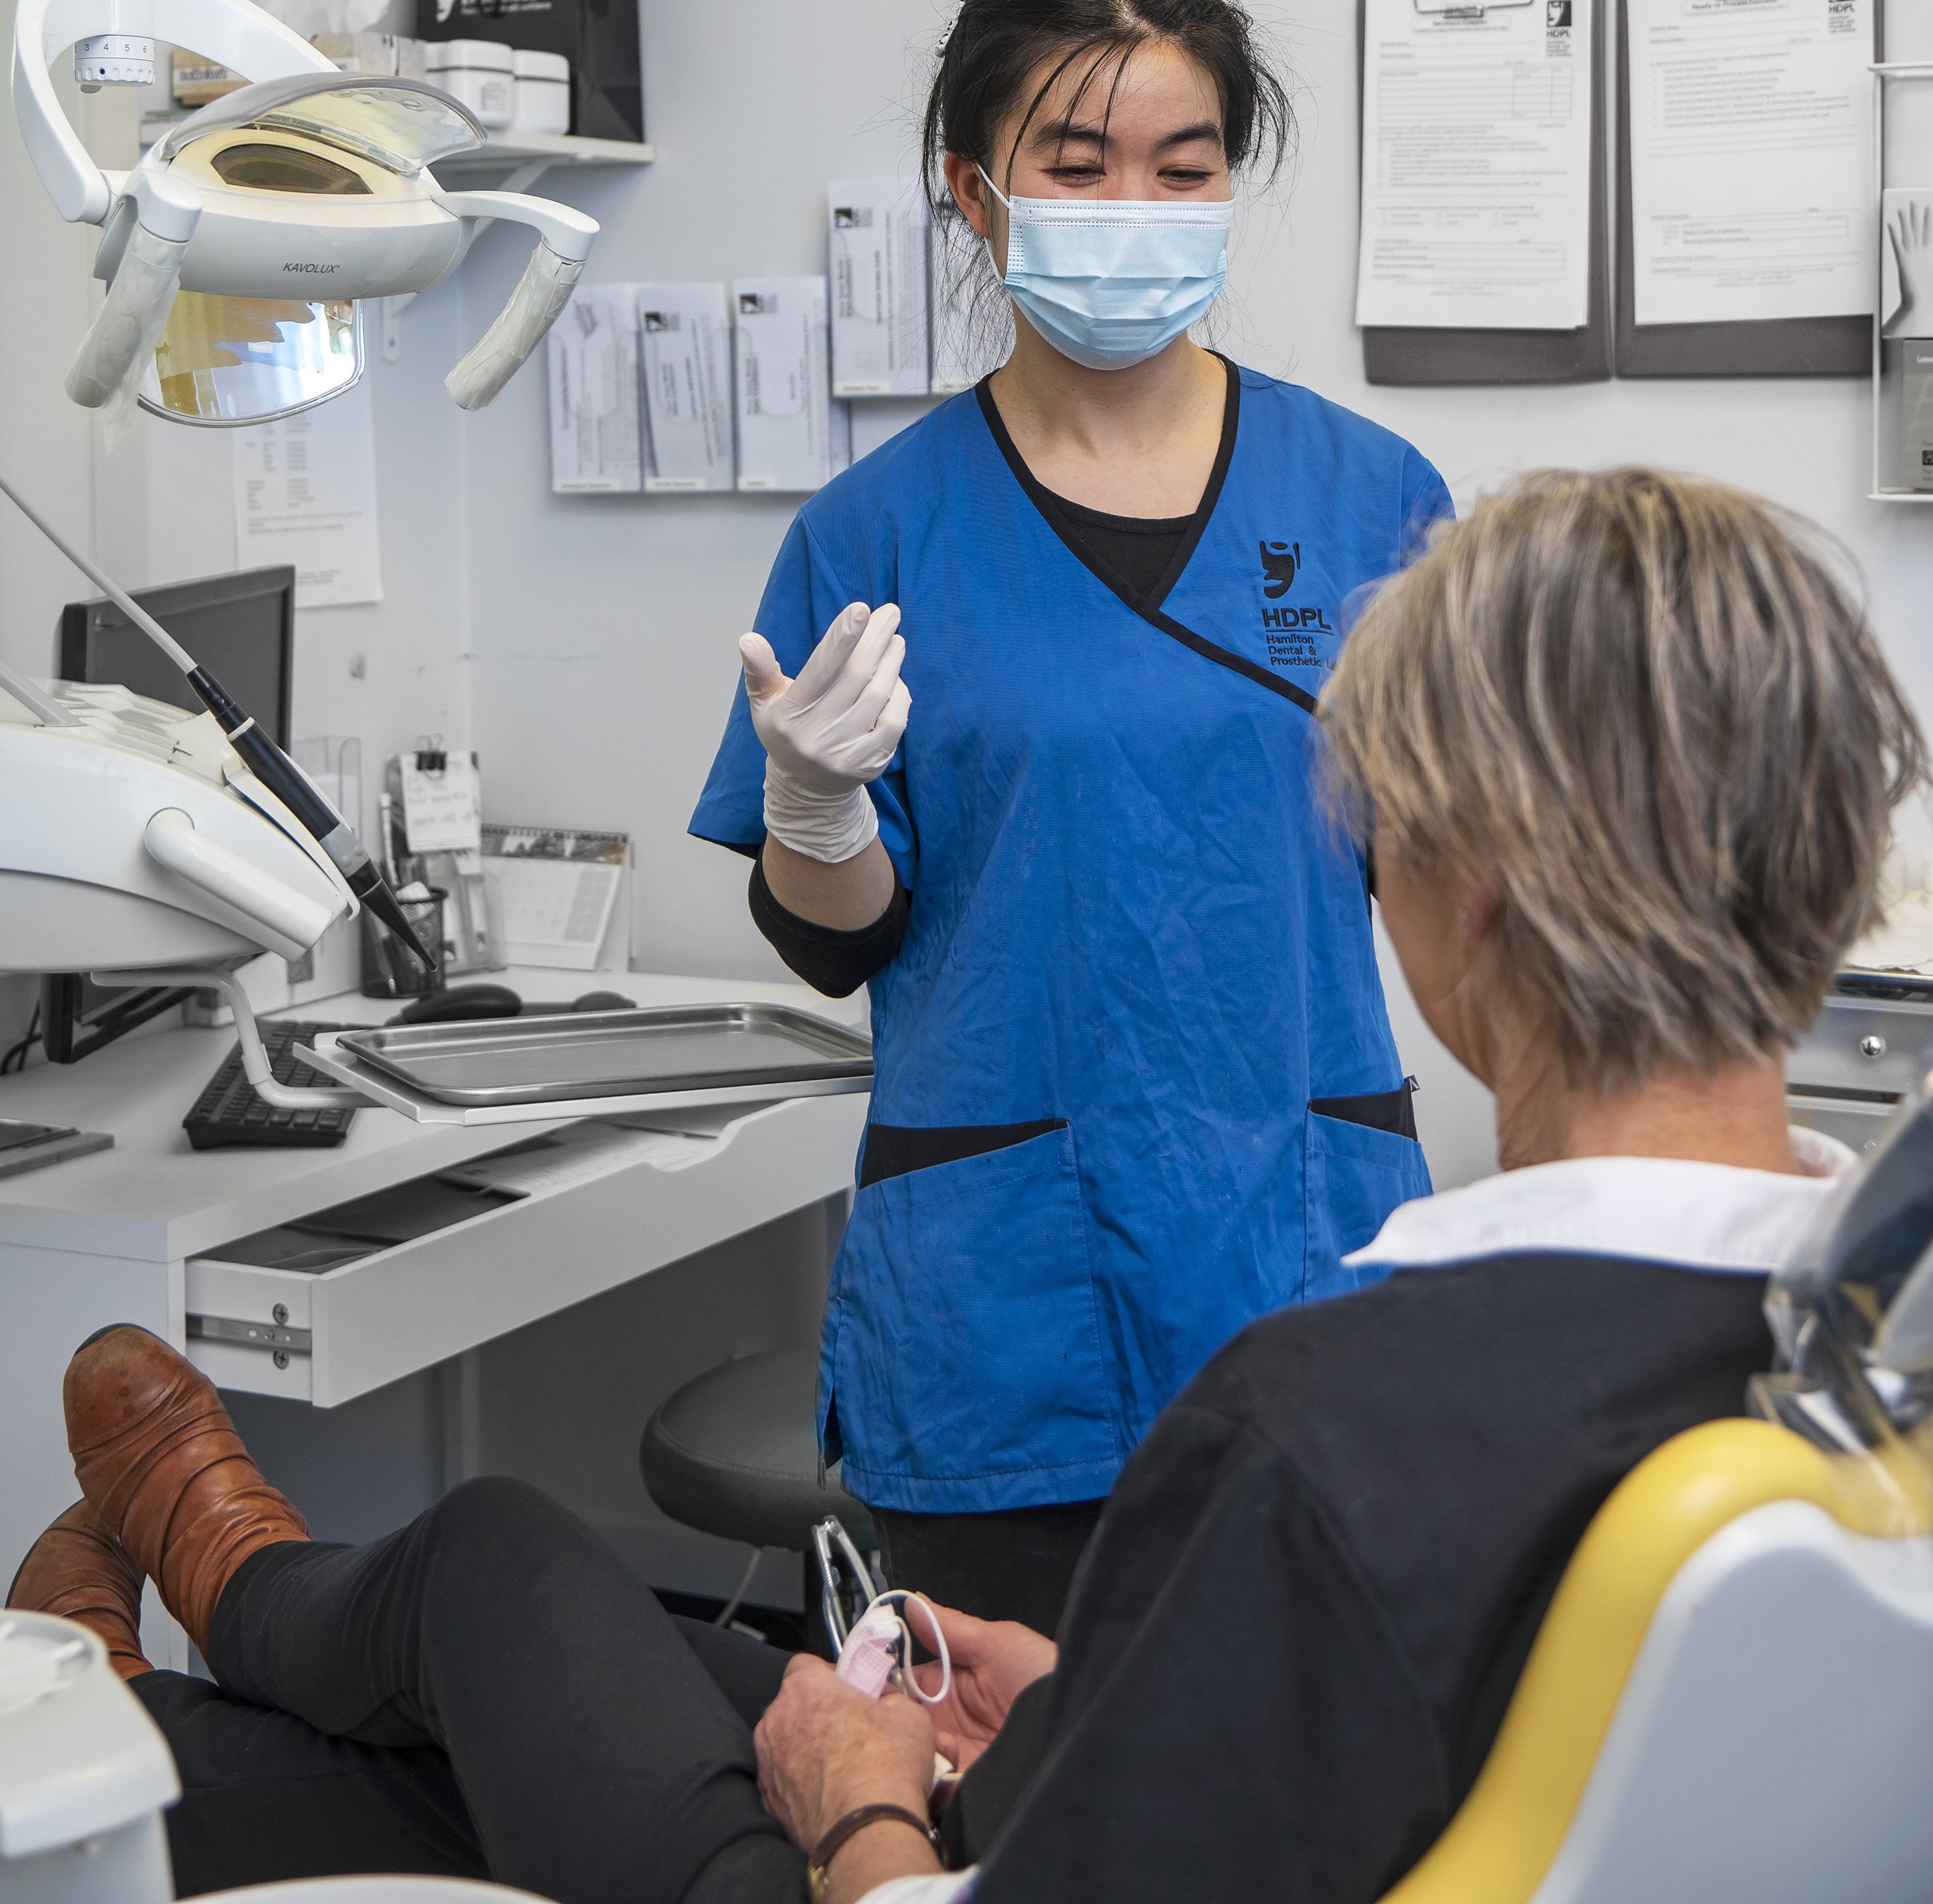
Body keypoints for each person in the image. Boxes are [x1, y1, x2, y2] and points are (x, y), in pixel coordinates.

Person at [12, 465, 1921, 1904]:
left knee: (504, 1572)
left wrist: (856, 1801)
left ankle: (166, 1662)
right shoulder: (1854, 1359)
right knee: (583, 1670)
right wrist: (1116, 1681)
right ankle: (156, 1705)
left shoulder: (1324, 1437)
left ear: (1463, 895)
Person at [691, 0, 1451, 1626]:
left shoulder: (1369, 503)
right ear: (974, 192)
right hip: (1004, 1305)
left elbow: (1463, 876)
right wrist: (812, 800)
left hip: (1301, 1236)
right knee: (1001, 1821)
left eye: (1180, 170)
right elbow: (839, 939)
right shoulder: (874, 532)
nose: (1134, 205)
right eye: (1074, 162)